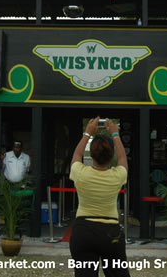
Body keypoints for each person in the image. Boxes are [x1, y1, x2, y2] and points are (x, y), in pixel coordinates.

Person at [69, 117, 130, 277]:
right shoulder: (117, 175)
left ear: (93, 154)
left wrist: (87, 133)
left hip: (83, 230)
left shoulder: (80, 173)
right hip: (110, 231)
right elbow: (123, 158)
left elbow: (77, 154)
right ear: (111, 156)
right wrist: (115, 133)